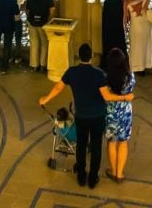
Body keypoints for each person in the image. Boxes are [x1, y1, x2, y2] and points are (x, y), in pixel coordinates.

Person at [39, 43, 134, 190]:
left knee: (81, 146)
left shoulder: (72, 72)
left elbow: (58, 87)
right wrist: (125, 97)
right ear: (91, 57)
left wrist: (45, 99)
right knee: (96, 146)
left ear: (79, 56)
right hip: (97, 116)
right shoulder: (99, 74)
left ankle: (81, 176)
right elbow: (107, 95)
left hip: (81, 115)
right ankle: (93, 178)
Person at [104, 47, 136, 183]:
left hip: (111, 113)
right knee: (123, 142)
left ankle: (113, 170)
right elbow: (131, 90)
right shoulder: (130, 77)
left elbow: (106, 95)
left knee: (111, 142)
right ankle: (120, 173)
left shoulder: (105, 78)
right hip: (125, 113)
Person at [26, 0, 55, 71]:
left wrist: (29, 18)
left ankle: (34, 65)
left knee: (34, 43)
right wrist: (49, 20)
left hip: (32, 22)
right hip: (44, 22)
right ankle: (43, 64)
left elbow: (27, 10)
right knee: (44, 43)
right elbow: (52, 10)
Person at [123, 0, 152, 74]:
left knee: (135, 48)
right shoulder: (144, 0)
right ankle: (145, 67)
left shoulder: (127, 3)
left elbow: (125, 18)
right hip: (146, 28)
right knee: (145, 47)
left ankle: (136, 68)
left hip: (135, 29)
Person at [101, 0, 126, 69]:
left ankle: (107, 64)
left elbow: (104, 17)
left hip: (108, 31)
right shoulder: (120, 3)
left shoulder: (106, 3)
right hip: (118, 30)